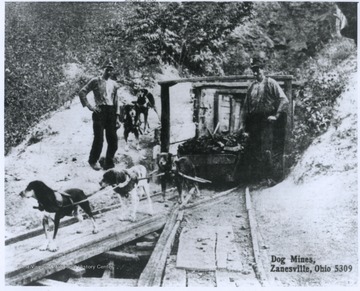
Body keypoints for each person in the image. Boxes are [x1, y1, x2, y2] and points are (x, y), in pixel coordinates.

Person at [241, 57, 289, 183]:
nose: (255, 73)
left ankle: (273, 177)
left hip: (269, 121)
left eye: (258, 70)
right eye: (253, 70)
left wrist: (276, 115)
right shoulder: (251, 87)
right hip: (255, 122)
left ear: (263, 69)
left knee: (271, 149)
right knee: (256, 149)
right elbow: (246, 108)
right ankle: (260, 178)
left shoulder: (271, 83)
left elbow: (284, 100)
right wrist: (245, 127)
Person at [79, 60, 121, 171]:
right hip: (99, 112)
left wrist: (117, 118)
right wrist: (90, 106)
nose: (109, 71)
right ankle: (93, 160)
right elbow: (82, 92)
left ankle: (109, 162)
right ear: (102, 69)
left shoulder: (114, 84)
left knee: (113, 140)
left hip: (111, 112)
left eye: (111, 69)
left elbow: (116, 101)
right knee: (99, 139)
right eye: (107, 69)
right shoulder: (95, 81)